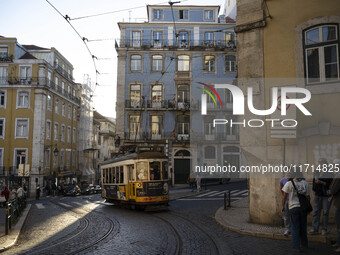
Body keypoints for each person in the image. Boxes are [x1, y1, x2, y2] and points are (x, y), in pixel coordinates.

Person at [282, 171, 311, 252]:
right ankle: (304, 244)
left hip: (293, 207)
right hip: (303, 208)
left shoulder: (288, 183)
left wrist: (283, 206)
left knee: (295, 227)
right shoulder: (305, 183)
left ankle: (296, 247)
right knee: (303, 227)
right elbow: (308, 197)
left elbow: (284, 197)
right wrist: (307, 207)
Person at [310, 158, 333, 235]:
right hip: (317, 194)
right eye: (319, 162)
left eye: (321, 162)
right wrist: (314, 189)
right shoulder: (316, 171)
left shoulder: (329, 172)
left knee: (325, 212)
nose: (320, 164)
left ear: (325, 163)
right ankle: (314, 229)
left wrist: (321, 182)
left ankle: (324, 229)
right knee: (316, 212)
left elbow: (331, 184)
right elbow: (314, 181)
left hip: (326, 194)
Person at [329, 159, 340, 252]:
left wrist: (330, 192)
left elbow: (333, 190)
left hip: (339, 204)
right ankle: (338, 242)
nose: (331, 168)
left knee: (339, 225)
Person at [280, 172, 291, 236]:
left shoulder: (293, 180)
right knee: (286, 215)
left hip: (293, 201)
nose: (288, 173)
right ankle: (287, 229)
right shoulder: (283, 180)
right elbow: (280, 189)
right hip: (286, 200)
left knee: (293, 216)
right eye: (287, 172)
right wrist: (283, 196)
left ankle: (293, 229)